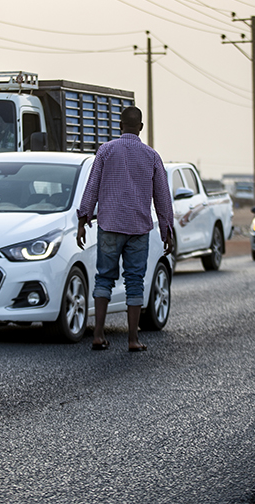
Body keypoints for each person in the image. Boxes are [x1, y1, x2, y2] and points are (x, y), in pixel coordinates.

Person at [76, 106, 173, 352]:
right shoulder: (152, 156)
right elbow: (162, 197)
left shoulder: (106, 151)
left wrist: (82, 220)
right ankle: (132, 339)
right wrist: (166, 230)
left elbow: (92, 188)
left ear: (120, 125)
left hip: (109, 225)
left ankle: (98, 335)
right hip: (138, 228)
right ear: (140, 127)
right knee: (134, 281)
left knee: (104, 278)